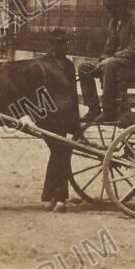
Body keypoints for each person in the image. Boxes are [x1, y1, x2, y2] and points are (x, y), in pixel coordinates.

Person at [78, 0, 135, 123]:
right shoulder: (114, 23)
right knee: (84, 68)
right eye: (110, 8)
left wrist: (112, 58)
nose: (112, 11)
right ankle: (93, 108)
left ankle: (108, 110)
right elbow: (109, 47)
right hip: (119, 62)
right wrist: (102, 60)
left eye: (115, 7)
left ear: (123, 6)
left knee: (110, 65)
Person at [40, 28, 78, 211]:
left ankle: (54, 196)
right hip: (49, 116)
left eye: (64, 43)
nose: (61, 47)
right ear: (52, 45)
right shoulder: (43, 64)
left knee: (59, 151)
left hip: (64, 116)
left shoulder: (69, 66)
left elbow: (72, 95)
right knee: (59, 151)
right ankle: (59, 196)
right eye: (58, 43)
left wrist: (75, 122)